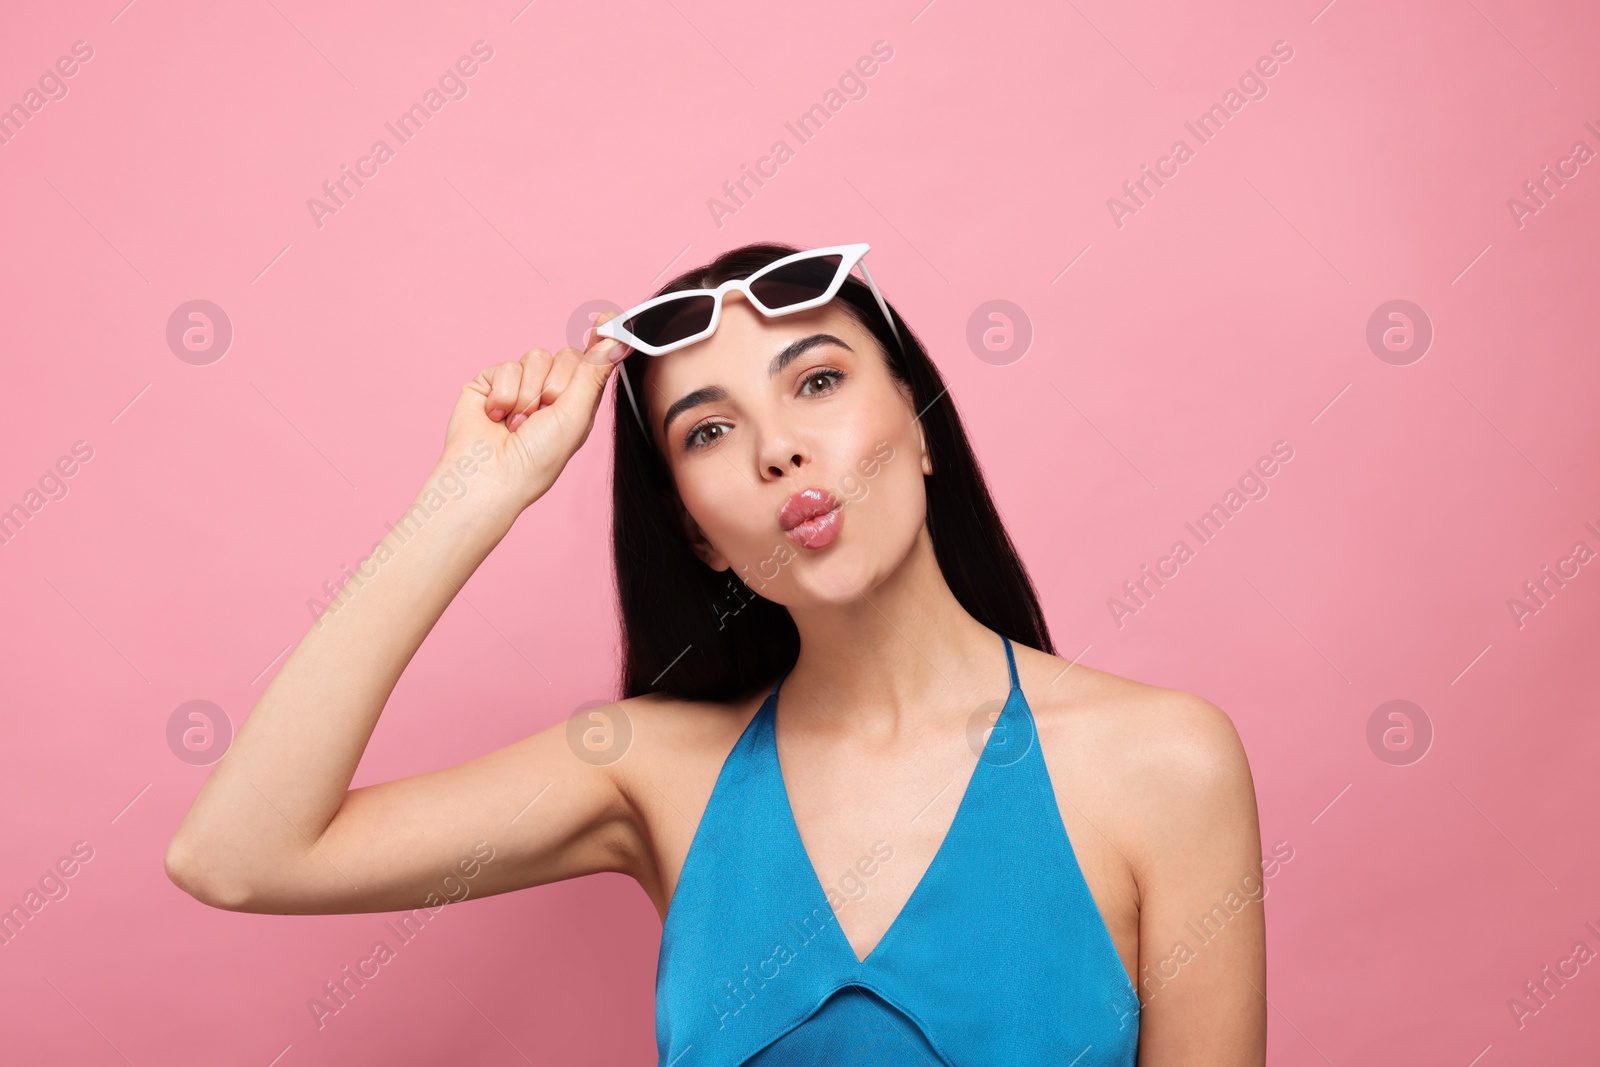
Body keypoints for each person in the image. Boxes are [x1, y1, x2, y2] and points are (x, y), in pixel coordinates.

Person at [166, 241, 1267, 1065]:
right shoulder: (652, 769)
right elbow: (240, 854)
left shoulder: (1160, 760)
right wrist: (471, 498)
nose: (778, 446)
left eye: (818, 381)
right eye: (707, 428)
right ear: (694, 529)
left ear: (921, 420)